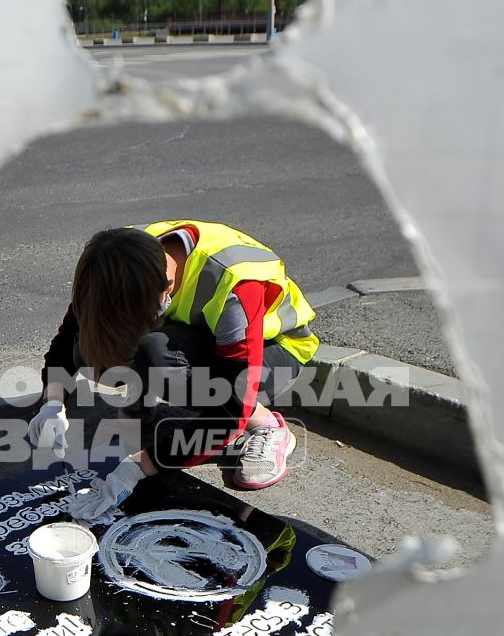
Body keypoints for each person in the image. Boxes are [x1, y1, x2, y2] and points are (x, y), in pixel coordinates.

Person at [30, 221, 319, 520]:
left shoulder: (235, 284)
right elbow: (68, 338)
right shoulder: (117, 260)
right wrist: (52, 402)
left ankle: (267, 425)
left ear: (167, 288)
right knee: (90, 347)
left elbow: (231, 406)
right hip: (203, 334)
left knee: (154, 356)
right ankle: (170, 411)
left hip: (275, 349)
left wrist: (140, 466)